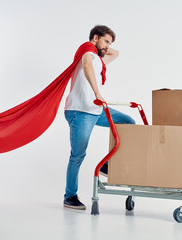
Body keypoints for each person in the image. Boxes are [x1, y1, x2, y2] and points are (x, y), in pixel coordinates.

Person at [63, 25, 135, 210]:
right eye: (106, 41)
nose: (108, 46)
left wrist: (103, 46)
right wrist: (97, 93)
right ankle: (69, 197)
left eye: (109, 43)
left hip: (96, 110)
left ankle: (106, 166)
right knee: (78, 155)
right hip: (81, 111)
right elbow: (87, 66)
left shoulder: (98, 58)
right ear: (95, 38)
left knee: (128, 122)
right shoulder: (86, 50)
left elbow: (115, 53)